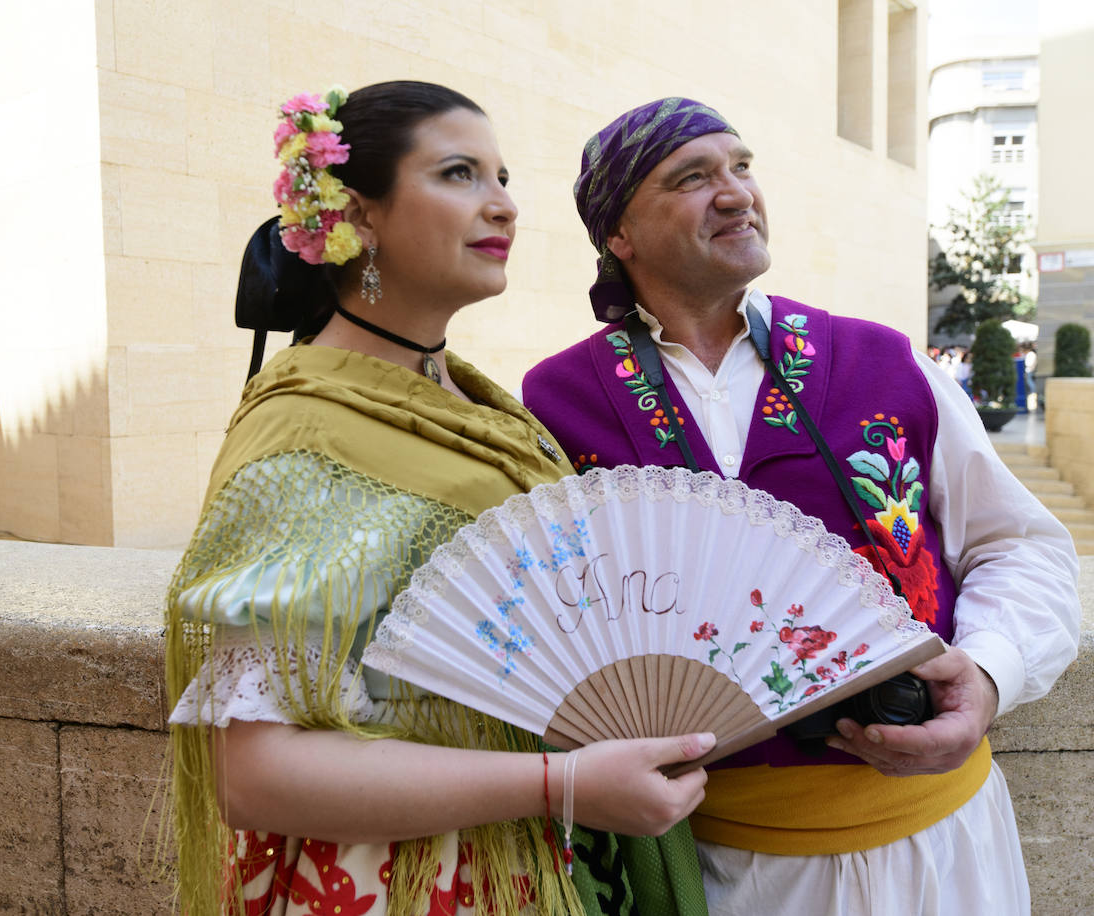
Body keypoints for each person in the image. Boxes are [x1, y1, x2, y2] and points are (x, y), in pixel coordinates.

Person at [163, 82, 714, 916]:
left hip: (537, 862)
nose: (504, 206)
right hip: (394, 884)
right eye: (460, 174)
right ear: (358, 213)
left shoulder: (482, 408)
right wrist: (558, 782)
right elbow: (258, 773)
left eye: (502, 178)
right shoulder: (308, 431)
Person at [522, 97, 1080, 915]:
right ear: (619, 235)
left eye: (741, 167)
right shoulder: (560, 401)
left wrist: (991, 675)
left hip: (939, 848)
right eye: (692, 177)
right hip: (717, 866)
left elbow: (1018, 544)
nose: (737, 192)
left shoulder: (883, 362)